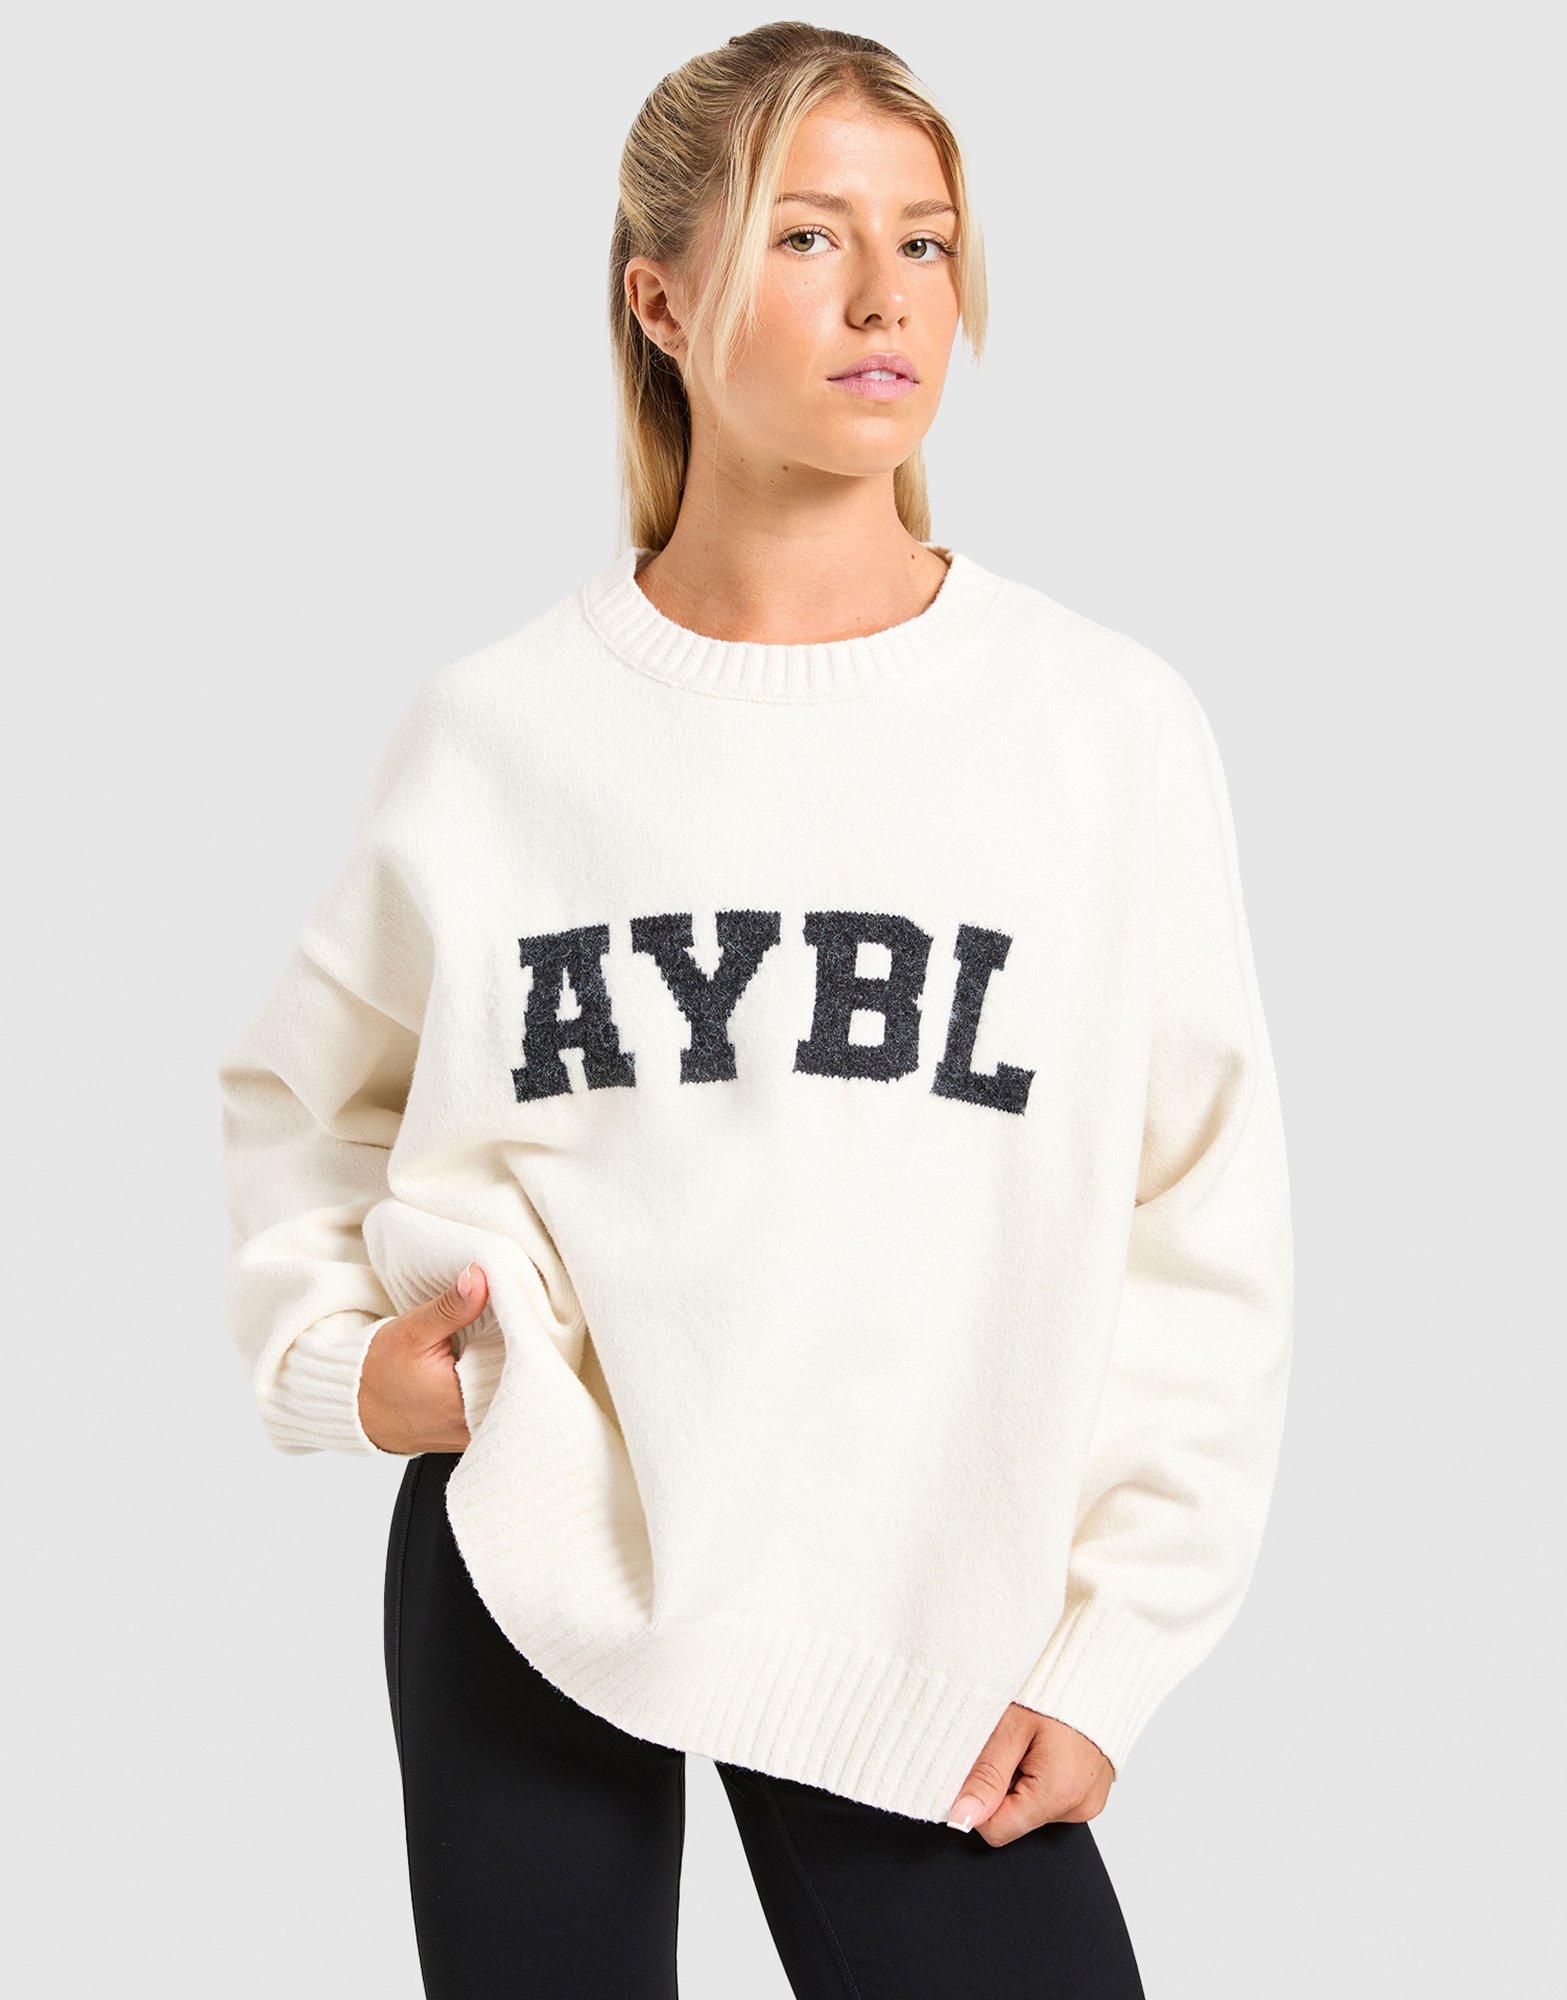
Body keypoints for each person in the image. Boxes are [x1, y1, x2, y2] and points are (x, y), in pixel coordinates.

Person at [216, 21, 1293, 1998]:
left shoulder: (1097, 728)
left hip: (921, 1597)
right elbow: (307, 1091)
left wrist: (1116, 1643)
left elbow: (1200, 1221)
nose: (887, 296)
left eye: (926, 241)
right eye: (809, 235)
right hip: (530, 1536)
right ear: (660, 299)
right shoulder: (502, 731)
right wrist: (338, 1360)